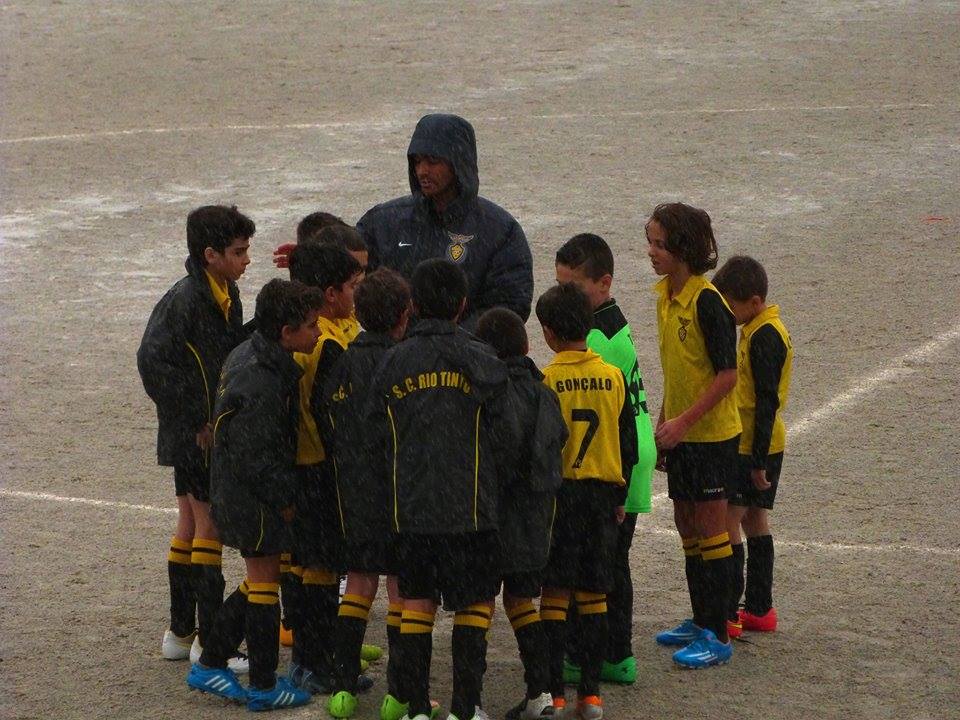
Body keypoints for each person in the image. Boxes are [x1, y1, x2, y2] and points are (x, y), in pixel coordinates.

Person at [367, 259, 520, 720]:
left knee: (416, 605)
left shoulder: (392, 361)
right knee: (474, 605)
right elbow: (508, 435)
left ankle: (416, 707)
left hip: (412, 510)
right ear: (463, 304)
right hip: (471, 510)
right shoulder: (482, 358)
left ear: (414, 305)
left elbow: (374, 433)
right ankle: (465, 707)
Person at [185, 277, 323, 711]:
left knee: (256, 582)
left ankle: (210, 662)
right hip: (253, 498)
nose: (318, 331)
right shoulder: (263, 382)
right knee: (264, 586)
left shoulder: (248, 354)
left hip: (235, 491)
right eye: (311, 325)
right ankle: (263, 685)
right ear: (286, 333)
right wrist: (285, 500)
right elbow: (256, 456)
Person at [137, 204, 253, 670]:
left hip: (193, 428)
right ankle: (210, 642)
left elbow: (224, 351)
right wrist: (195, 420)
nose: (247, 260)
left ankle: (181, 632)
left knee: (189, 521)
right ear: (210, 255)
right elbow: (151, 360)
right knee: (209, 526)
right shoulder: (186, 300)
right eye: (238, 252)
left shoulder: (226, 292)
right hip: (195, 433)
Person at [554, 233, 657, 685]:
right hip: (630, 450)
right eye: (560, 286)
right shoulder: (611, 320)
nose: (564, 296)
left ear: (604, 283)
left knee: (599, 565)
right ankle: (615, 652)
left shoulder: (597, 340)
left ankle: (600, 654)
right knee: (613, 561)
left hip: (616, 460)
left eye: (573, 287)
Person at [535, 284, 637, 720]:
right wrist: (620, 495)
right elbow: (628, 443)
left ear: (548, 333)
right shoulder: (613, 377)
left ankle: (555, 693)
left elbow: (542, 446)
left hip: (562, 497)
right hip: (601, 499)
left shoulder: (547, 380)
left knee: (555, 594)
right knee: (595, 595)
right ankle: (591, 695)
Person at [646, 202, 741, 668]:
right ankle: (702, 618)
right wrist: (666, 422)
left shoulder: (708, 303)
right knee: (686, 524)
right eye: (650, 242)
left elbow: (727, 376)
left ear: (683, 249)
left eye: (660, 245)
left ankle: (718, 633)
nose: (651, 252)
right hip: (681, 435)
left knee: (711, 529)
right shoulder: (665, 296)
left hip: (712, 438)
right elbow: (678, 371)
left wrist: (684, 423)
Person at [321, 268, 414, 720]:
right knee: (399, 588)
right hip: (396, 490)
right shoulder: (403, 363)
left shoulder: (343, 360)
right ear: (404, 315)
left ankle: (342, 689)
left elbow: (327, 416)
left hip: (353, 490)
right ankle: (399, 694)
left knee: (358, 582)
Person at [356, 113, 533, 331]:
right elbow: (345, 278)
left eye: (433, 161)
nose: (422, 171)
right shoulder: (383, 222)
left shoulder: (500, 230)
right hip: (395, 348)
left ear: (458, 163)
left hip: (466, 350)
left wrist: (449, 340)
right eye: (417, 161)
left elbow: (510, 305)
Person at [474, 308, 568, 720]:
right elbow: (557, 440)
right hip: (533, 516)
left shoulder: (485, 393)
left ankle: (471, 701)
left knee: (478, 605)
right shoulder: (544, 392)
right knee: (521, 601)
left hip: (489, 513)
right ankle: (541, 693)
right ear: (527, 345)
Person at [285, 242, 365, 694]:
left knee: (310, 562)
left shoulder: (327, 330)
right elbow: (327, 410)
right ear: (331, 294)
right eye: (353, 286)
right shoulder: (327, 343)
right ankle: (314, 661)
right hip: (321, 467)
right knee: (321, 565)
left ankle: (313, 655)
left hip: (308, 464)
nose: (358, 293)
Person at [712, 256, 793, 634]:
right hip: (765, 441)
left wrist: (758, 460)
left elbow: (765, 402)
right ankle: (760, 608)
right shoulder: (761, 328)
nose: (727, 314)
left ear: (755, 302)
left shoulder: (764, 337)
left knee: (729, 519)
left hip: (753, 445)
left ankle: (727, 610)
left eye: (731, 306)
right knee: (755, 519)